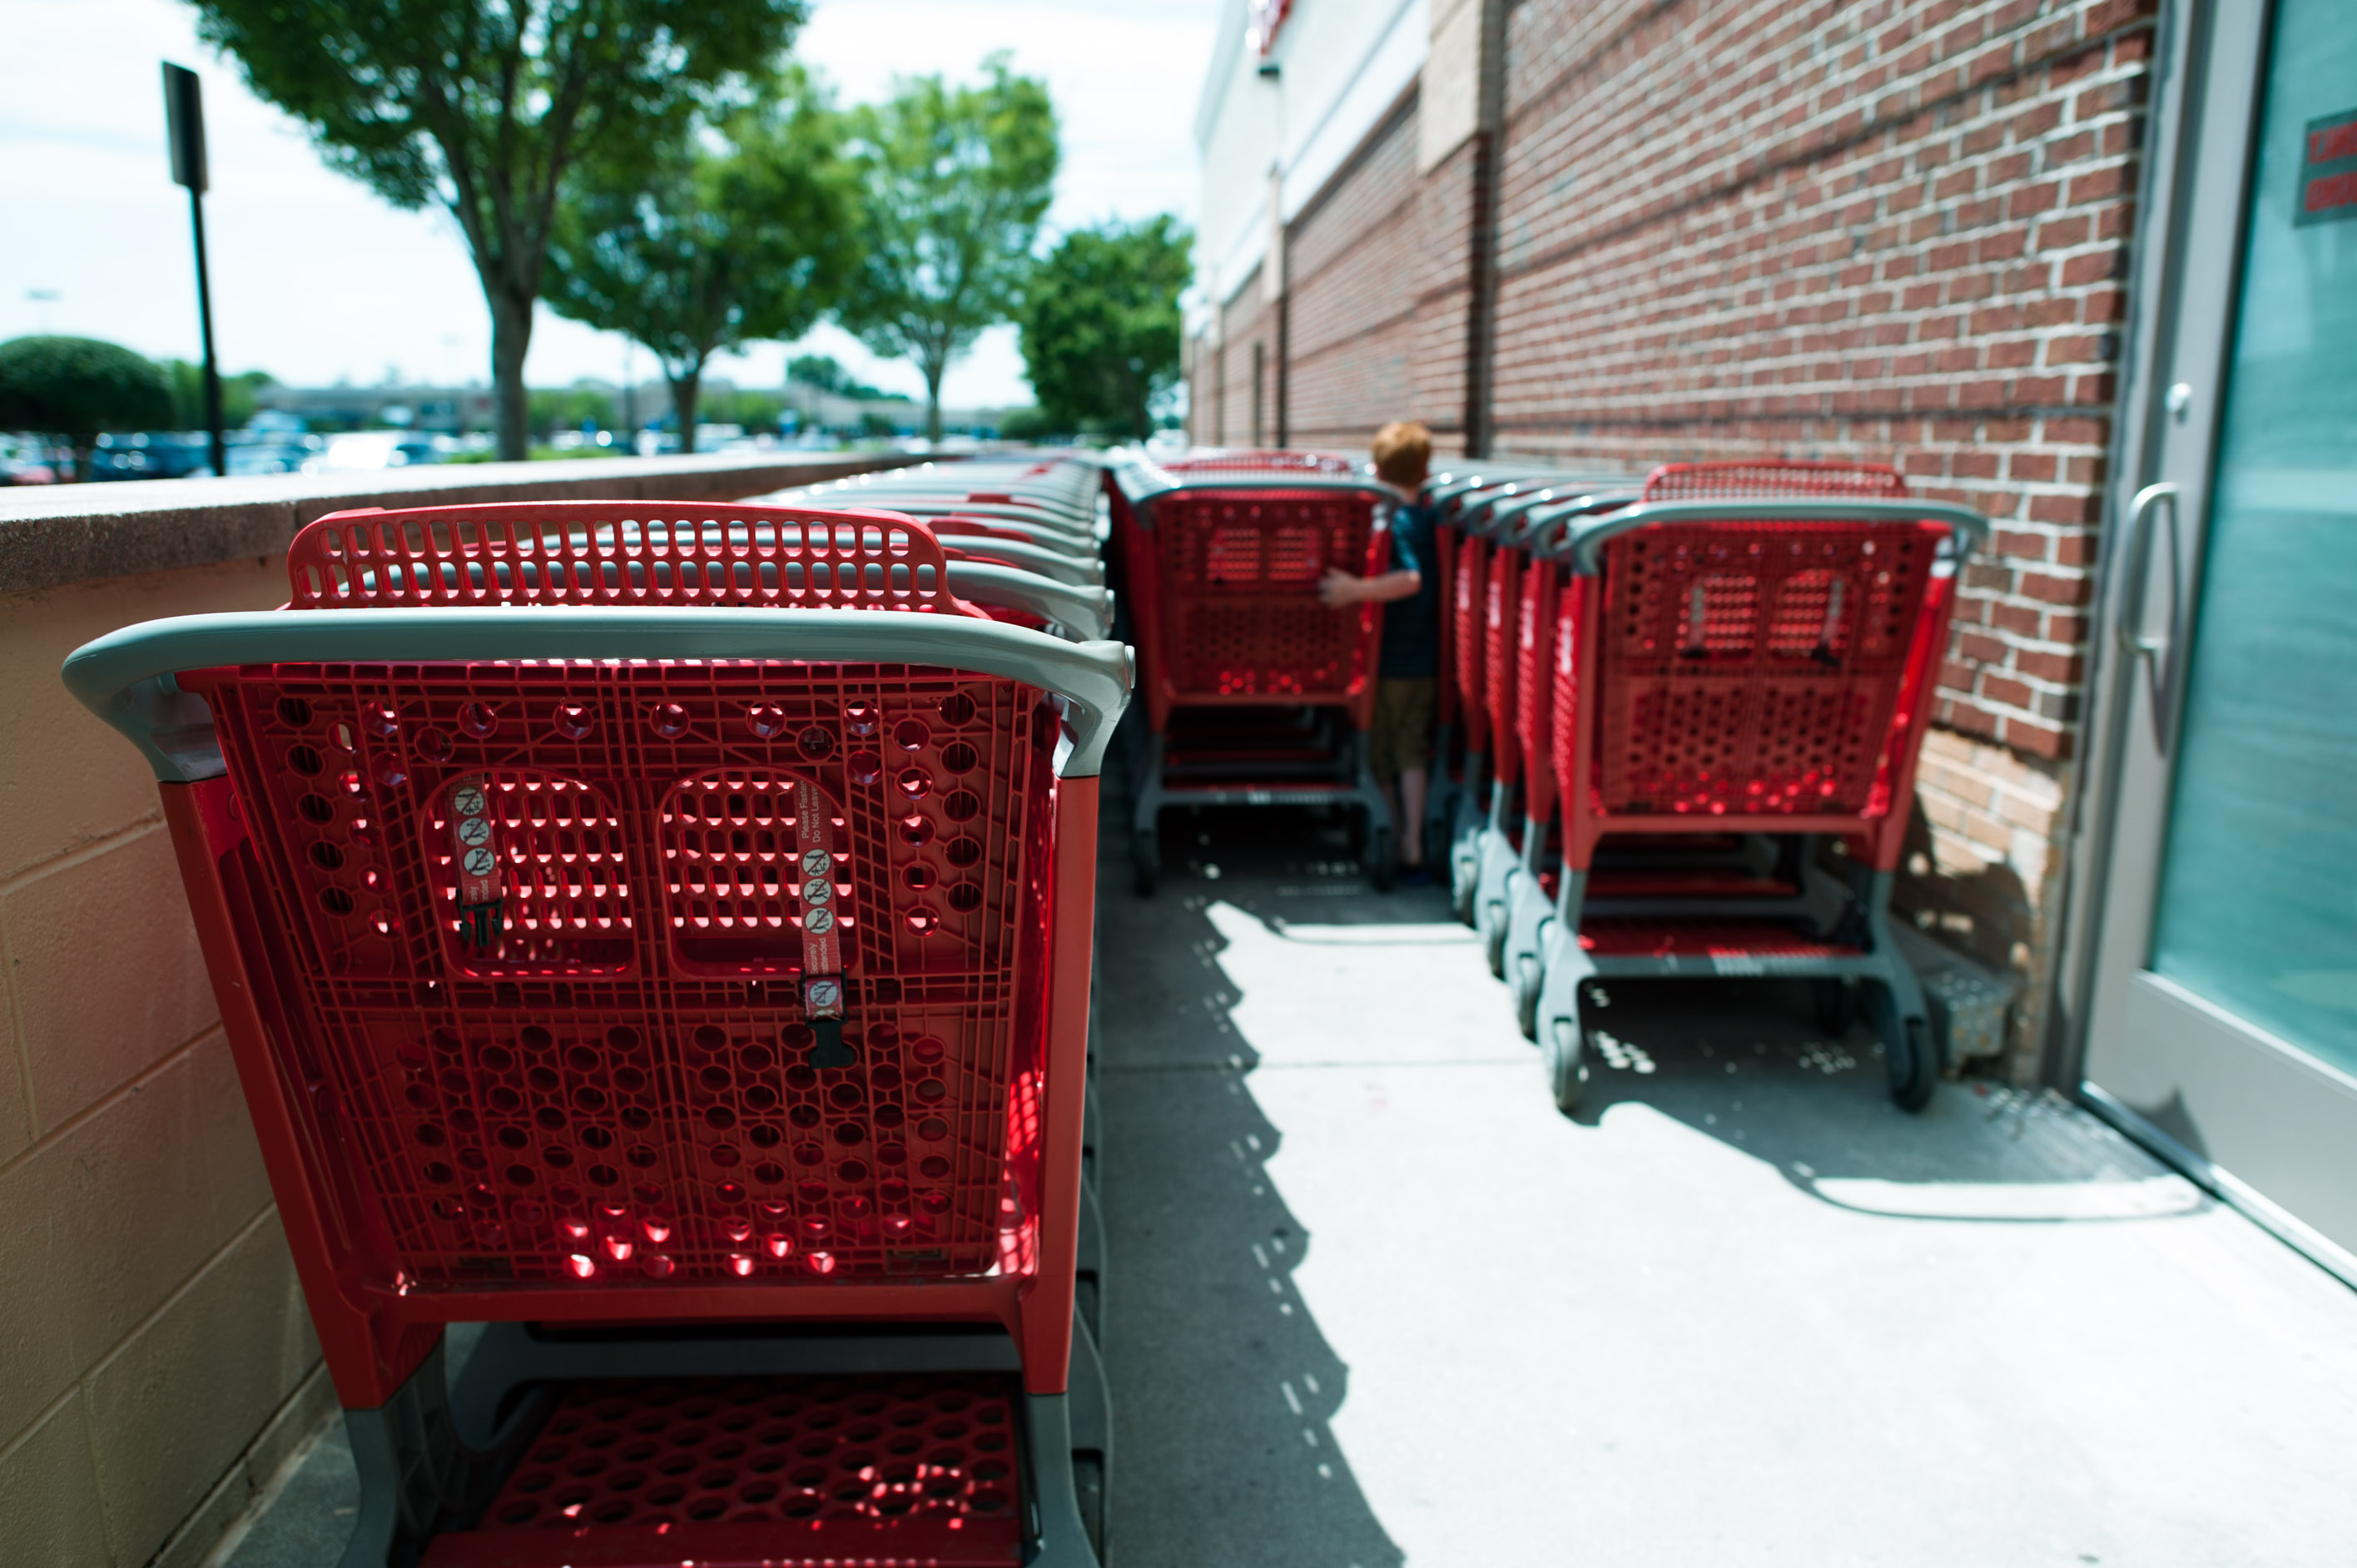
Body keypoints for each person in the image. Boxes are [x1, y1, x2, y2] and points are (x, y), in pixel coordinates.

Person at [1319, 420, 1440, 885]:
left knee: (1384, 753)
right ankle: (1410, 839)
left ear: (1378, 469)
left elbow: (1411, 579)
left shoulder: (1401, 521)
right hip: (1423, 657)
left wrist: (1356, 590)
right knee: (1410, 750)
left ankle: (1396, 834)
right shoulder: (1427, 516)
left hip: (1392, 662)